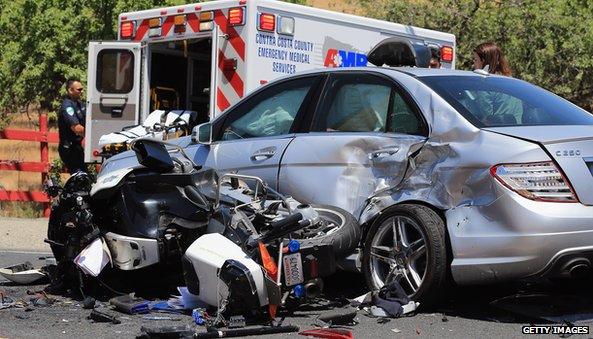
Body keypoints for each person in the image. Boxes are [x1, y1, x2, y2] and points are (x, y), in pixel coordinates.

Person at [469, 42, 522, 125]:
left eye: (476, 60)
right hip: (518, 129)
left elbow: (486, 117)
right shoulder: (511, 81)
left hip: (497, 131)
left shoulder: (485, 85)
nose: (473, 64)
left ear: (483, 61)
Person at [58, 79, 87, 174]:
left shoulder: (80, 104)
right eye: (79, 89)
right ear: (70, 90)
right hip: (70, 149)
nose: (82, 91)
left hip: (78, 148)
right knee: (79, 176)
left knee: (84, 176)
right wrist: (93, 136)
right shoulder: (67, 106)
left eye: (82, 89)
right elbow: (77, 128)